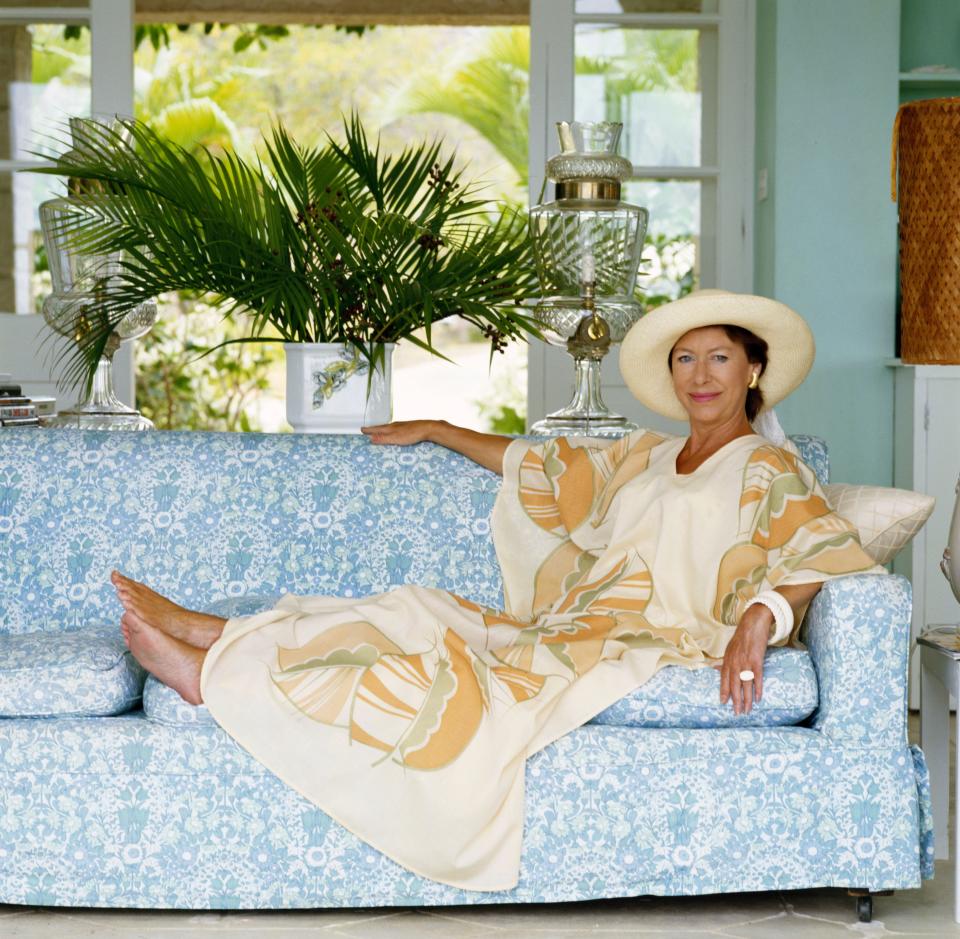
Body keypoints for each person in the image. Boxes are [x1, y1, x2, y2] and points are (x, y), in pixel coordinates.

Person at [111, 289, 883, 891]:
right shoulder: (648, 456)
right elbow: (544, 466)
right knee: (414, 608)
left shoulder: (767, 467)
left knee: (452, 678)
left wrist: (763, 610)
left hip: (642, 638)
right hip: (567, 621)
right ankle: (219, 632)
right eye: (685, 359)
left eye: (719, 358)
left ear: (753, 370)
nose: (701, 375)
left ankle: (212, 677)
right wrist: (443, 429)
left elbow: (824, 548)